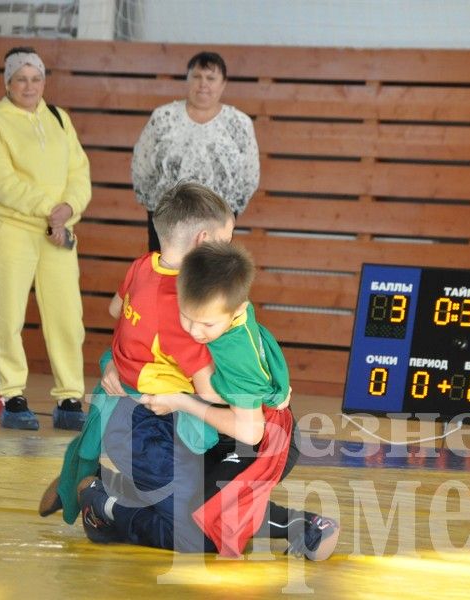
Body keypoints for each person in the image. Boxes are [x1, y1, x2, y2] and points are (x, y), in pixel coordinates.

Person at [40, 184, 337, 560]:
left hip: (241, 431)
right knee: (198, 525)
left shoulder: (154, 272)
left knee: (199, 528)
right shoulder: (195, 300)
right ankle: (105, 495)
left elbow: (118, 313)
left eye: (203, 327)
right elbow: (205, 384)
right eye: (226, 239)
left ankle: (103, 500)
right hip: (173, 424)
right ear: (204, 239)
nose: (194, 330)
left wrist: (129, 365)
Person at [0, 46, 92, 431]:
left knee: (66, 317)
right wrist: (50, 208)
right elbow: (1, 181)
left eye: (36, 78)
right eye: (21, 78)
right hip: (14, 229)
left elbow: (79, 172)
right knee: (9, 315)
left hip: (57, 233)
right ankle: (12, 396)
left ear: (45, 81)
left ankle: (69, 397)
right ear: (7, 83)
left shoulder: (60, 118)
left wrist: (68, 208)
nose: (29, 86)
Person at [131, 51, 259, 252]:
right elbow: (141, 166)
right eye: (197, 77)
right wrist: (156, 210)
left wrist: (228, 216)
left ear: (223, 83)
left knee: (207, 282)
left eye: (211, 78)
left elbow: (249, 176)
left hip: (217, 226)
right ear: (187, 79)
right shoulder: (163, 117)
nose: (203, 84)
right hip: (166, 224)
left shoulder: (239, 124)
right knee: (163, 282)